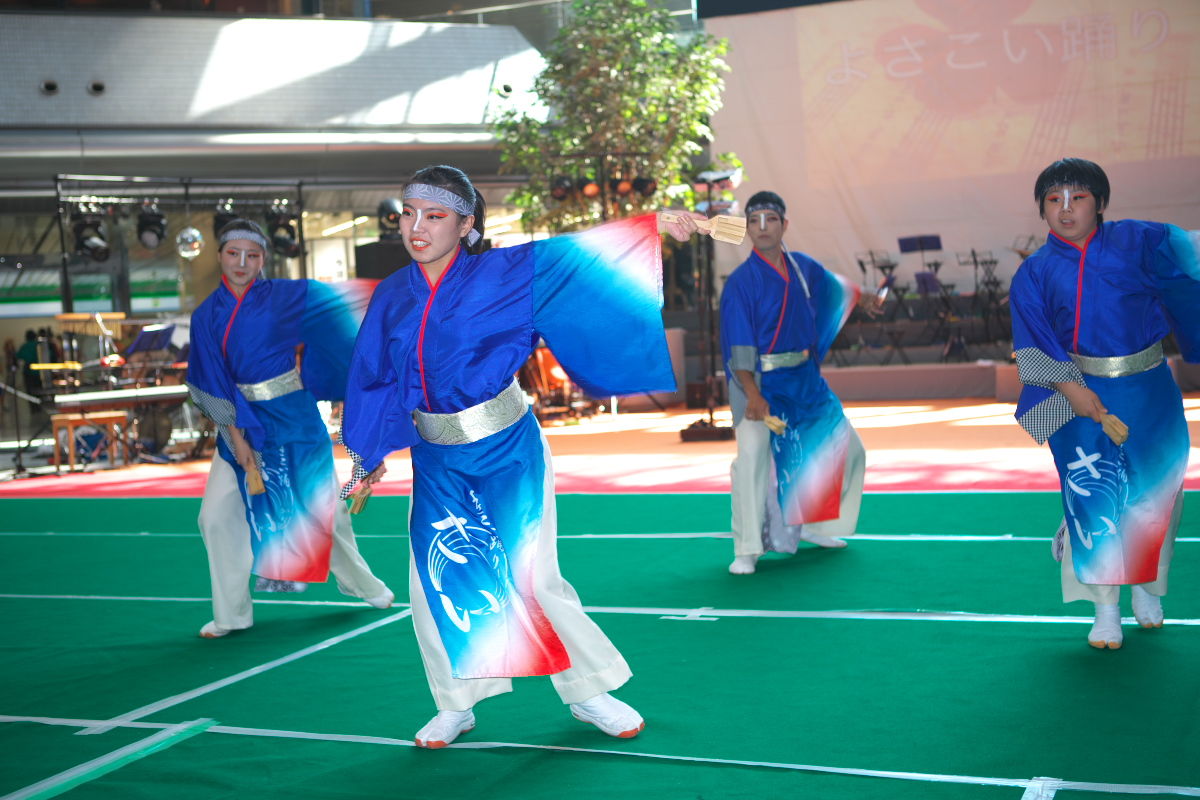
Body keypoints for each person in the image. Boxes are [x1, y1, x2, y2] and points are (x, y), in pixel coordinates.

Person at [340, 165, 701, 749]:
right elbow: (372, 378)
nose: (417, 227)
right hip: (437, 459)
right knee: (434, 580)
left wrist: (651, 225)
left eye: (434, 216)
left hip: (507, 449)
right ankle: (454, 703)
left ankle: (587, 691)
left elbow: (582, 257)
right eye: (408, 214)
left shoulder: (505, 273)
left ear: (467, 225)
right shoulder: (391, 296)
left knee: (531, 575)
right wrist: (366, 458)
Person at [1009, 157, 1198, 650]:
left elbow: (1190, 259)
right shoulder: (1033, 272)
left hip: (1149, 393)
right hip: (1075, 396)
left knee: (1155, 493)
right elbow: (1033, 340)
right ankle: (1105, 609)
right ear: (1041, 209)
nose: (1065, 209)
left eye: (1079, 197)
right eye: (1053, 200)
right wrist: (1073, 391)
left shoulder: (1139, 242)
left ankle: (1147, 589)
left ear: (1100, 203)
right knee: (1092, 498)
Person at [186, 219, 393, 639]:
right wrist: (238, 442)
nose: (242, 263)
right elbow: (210, 380)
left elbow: (343, 311)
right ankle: (231, 615)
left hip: (293, 421)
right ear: (219, 255)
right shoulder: (206, 315)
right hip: (239, 423)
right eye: (233, 253)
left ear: (264, 258)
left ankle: (364, 585)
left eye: (252, 255)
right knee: (216, 517)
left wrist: (399, 300)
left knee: (324, 512)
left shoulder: (286, 296)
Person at [718, 191, 869, 575]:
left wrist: (867, 299)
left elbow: (835, 290)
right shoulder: (741, 283)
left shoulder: (802, 267)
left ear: (784, 225)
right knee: (752, 459)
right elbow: (738, 345)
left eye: (770, 219)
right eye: (754, 221)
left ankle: (817, 525)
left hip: (804, 380)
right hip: (759, 383)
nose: (762, 228)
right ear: (747, 228)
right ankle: (747, 548)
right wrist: (753, 395)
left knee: (849, 448)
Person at [15, 330, 43, 414]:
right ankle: (39, 406)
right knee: (39, 390)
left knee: (30, 391)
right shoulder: (38, 345)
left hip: (28, 372)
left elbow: (18, 356)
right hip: (39, 372)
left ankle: (33, 408)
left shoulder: (24, 346)